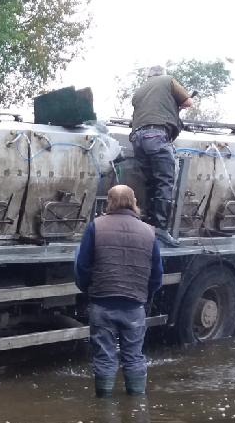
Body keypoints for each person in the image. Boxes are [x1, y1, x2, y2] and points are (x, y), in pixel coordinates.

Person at [75, 184, 163, 397]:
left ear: (109, 202)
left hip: (102, 303)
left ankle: (104, 406)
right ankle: (137, 404)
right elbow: (157, 273)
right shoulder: (149, 232)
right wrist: (144, 296)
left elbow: (82, 266)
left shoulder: (96, 227)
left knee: (104, 357)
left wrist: (88, 290)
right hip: (134, 305)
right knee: (134, 357)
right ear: (134, 203)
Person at [130, 65, 193, 246]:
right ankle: (161, 229)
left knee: (150, 183)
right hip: (156, 136)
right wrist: (176, 106)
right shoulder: (168, 80)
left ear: (148, 76)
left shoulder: (139, 91)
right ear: (162, 74)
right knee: (164, 182)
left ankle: (147, 225)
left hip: (137, 139)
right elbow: (188, 102)